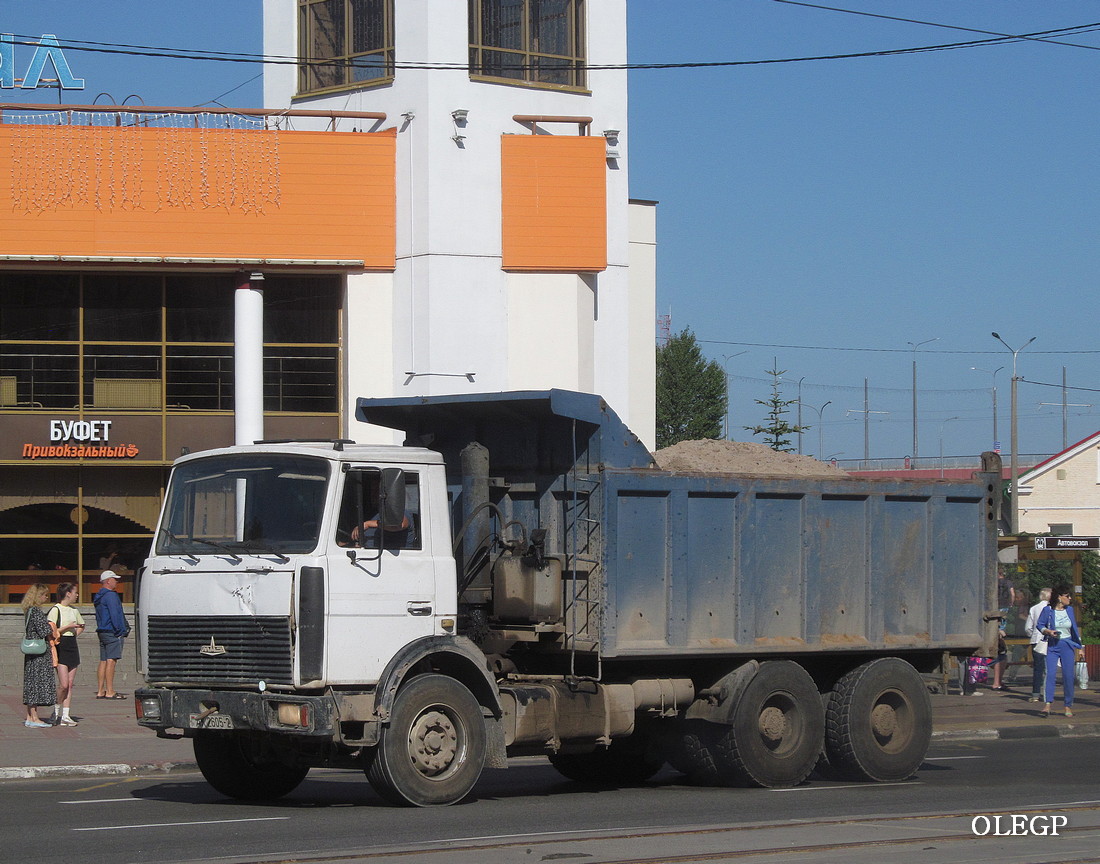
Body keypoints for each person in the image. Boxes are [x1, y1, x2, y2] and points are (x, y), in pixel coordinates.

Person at [1036, 584, 1082, 718]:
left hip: (1067, 645)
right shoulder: (1048, 610)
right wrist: (1048, 631)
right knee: (1050, 674)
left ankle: (1068, 705)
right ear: (1059, 597)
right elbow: (1040, 625)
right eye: (1067, 596)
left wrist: (1080, 647)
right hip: (1053, 645)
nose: (1070, 598)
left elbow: (1074, 629)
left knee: (1068, 676)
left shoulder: (1070, 610)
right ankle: (1048, 704)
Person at [48, 582, 85, 726]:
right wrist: (68, 627)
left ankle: (66, 715)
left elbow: (82, 625)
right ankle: (56, 711)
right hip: (60, 645)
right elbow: (52, 630)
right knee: (63, 684)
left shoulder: (74, 610)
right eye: (75, 592)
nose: (77, 595)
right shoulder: (56, 609)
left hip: (72, 645)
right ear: (68, 593)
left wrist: (75, 633)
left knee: (70, 683)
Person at [21, 583, 58, 728]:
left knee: (31, 684)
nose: (46, 597)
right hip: (39, 653)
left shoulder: (29, 611)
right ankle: (34, 718)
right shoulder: (36, 611)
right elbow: (44, 631)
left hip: (31, 653)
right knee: (36, 684)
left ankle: (30, 716)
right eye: (45, 595)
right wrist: (51, 626)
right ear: (38, 596)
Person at [93, 570, 130, 700]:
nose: (117, 581)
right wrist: (120, 630)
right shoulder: (111, 596)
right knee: (111, 660)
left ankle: (100, 690)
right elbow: (115, 614)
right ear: (108, 581)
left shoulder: (99, 596)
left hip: (102, 631)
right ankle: (110, 691)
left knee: (103, 660)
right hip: (111, 631)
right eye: (115, 579)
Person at [1024, 587, 1051, 703]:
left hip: (1036, 640)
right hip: (1049, 640)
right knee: (1049, 668)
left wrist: (1033, 634)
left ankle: (1035, 694)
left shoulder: (1034, 608)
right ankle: (1047, 693)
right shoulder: (1052, 608)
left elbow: (1028, 627)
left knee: (1038, 668)